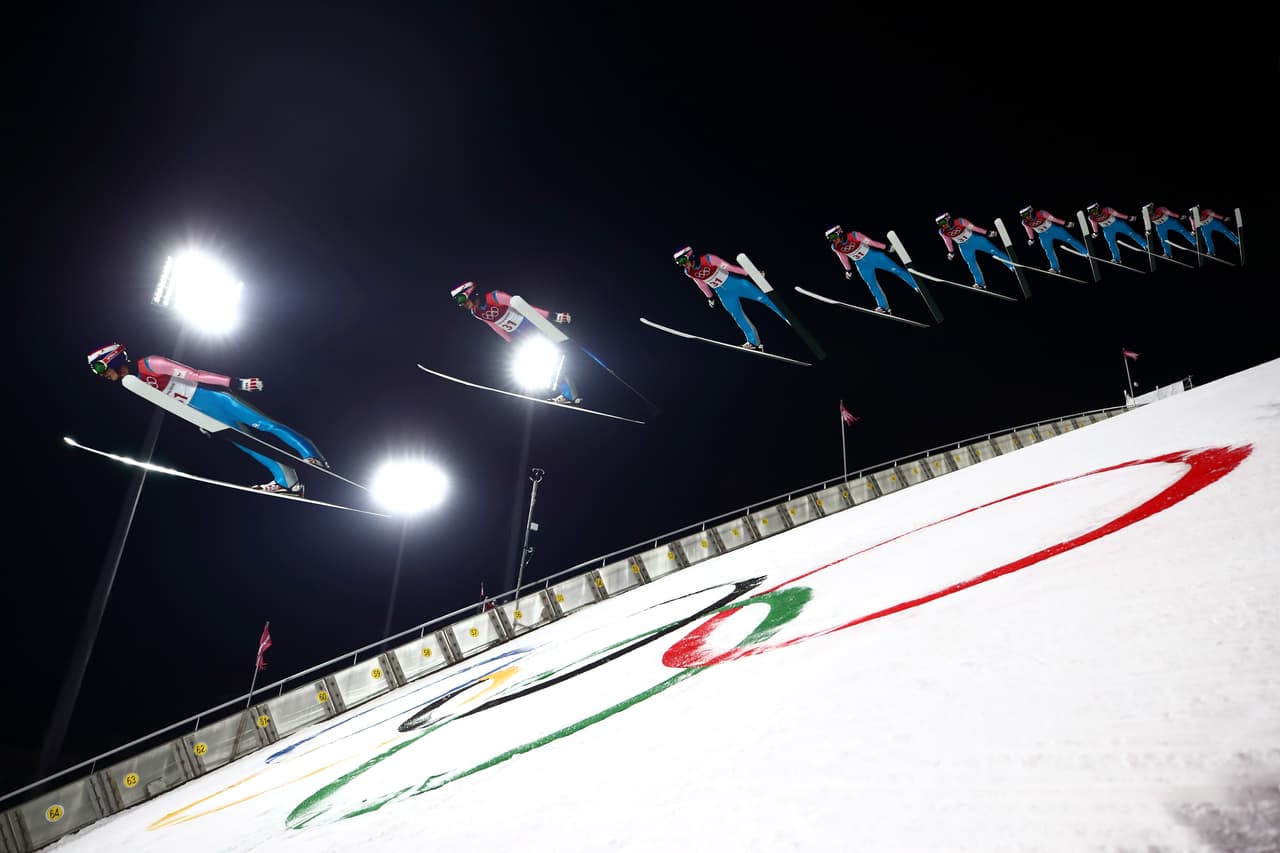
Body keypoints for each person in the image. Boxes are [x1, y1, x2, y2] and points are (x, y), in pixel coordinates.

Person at [86, 343, 329, 495]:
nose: (101, 375)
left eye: (99, 368)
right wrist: (198, 420)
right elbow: (172, 403)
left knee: (266, 425)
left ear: (113, 359)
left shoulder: (151, 363)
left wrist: (236, 383)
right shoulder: (136, 384)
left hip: (215, 398)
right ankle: (288, 482)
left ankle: (312, 456)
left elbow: (195, 374)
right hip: (203, 411)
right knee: (248, 444)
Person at [451, 281, 580, 403]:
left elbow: (527, 308)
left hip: (532, 327)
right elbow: (493, 324)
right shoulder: (476, 312)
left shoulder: (496, 297)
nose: (461, 304)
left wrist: (553, 316)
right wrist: (509, 340)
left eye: (462, 299)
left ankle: (571, 393)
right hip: (519, 336)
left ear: (472, 293)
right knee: (539, 365)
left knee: (553, 360)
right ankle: (566, 394)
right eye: (458, 302)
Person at [673, 245, 789, 350]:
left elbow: (731, 268)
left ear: (690, 255)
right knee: (737, 315)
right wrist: (710, 297)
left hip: (738, 284)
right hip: (724, 294)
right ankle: (753, 342)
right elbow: (701, 284)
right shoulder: (689, 272)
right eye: (679, 263)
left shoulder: (708, 259)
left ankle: (788, 318)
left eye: (683, 260)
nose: (682, 264)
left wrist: (751, 273)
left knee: (765, 299)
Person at [824, 225, 922, 313]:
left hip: (875, 257)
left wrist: (886, 247)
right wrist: (848, 270)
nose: (833, 240)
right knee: (871, 284)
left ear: (839, 232)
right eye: (830, 238)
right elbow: (843, 258)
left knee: (897, 270)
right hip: (862, 265)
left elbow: (871, 242)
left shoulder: (854, 235)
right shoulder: (835, 247)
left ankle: (918, 286)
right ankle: (883, 307)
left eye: (833, 237)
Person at [934, 212, 1015, 289]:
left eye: (943, 222)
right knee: (971, 264)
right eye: (940, 224)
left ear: (948, 218)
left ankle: (1012, 266)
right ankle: (980, 284)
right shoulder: (942, 231)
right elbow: (948, 242)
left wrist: (987, 232)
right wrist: (951, 252)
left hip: (976, 240)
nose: (943, 225)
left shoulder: (960, 221)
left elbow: (974, 228)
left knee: (995, 252)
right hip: (964, 247)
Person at [1019, 206, 1087, 275]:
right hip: (1043, 236)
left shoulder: (1042, 213)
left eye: (1026, 214)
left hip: (1053, 230)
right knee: (1048, 251)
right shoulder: (1025, 222)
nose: (1026, 217)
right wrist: (1031, 239)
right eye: (1023, 216)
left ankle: (1085, 252)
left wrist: (1066, 223)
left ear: (1031, 211)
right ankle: (1055, 268)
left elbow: (1054, 219)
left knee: (1071, 239)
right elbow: (1029, 230)